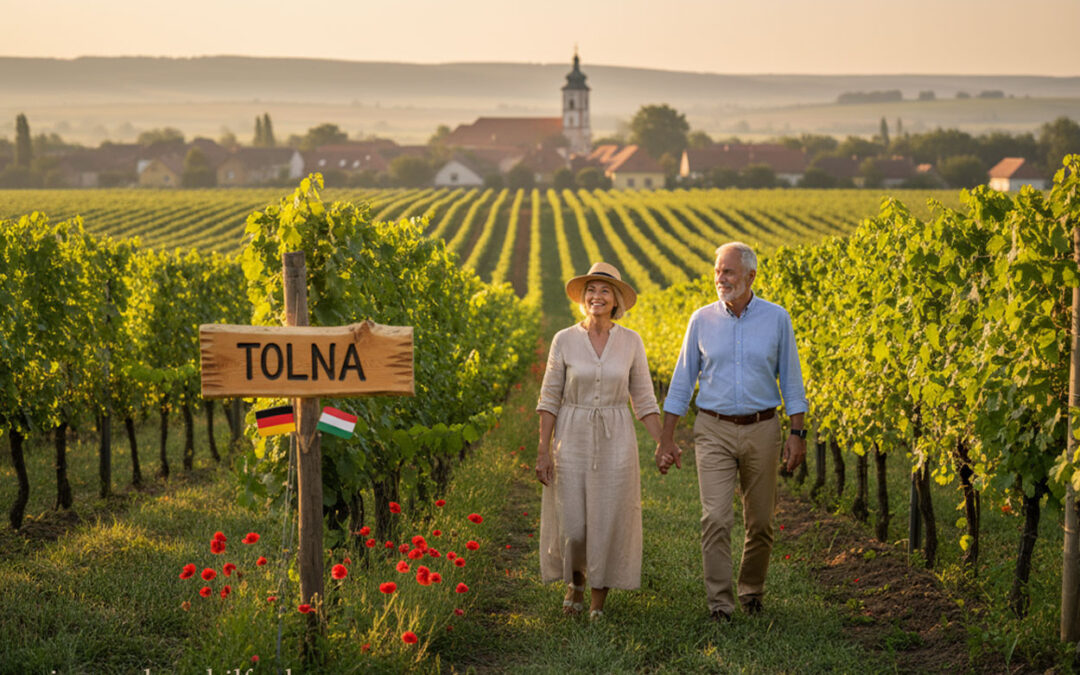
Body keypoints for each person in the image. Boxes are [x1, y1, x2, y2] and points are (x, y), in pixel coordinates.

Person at [656, 242, 808, 622]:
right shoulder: (700, 320)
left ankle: (752, 591)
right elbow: (681, 382)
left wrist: (797, 434)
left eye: (728, 272)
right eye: (717, 271)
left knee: (760, 521)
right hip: (713, 428)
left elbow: (791, 380)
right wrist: (667, 437)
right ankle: (720, 604)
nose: (720, 279)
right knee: (716, 518)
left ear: (751, 276)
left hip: (762, 428)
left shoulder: (777, 319)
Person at [535, 262, 662, 619]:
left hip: (616, 438)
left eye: (605, 290)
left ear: (617, 299)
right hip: (571, 434)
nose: (597, 296)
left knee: (607, 517)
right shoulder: (564, 339)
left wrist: (661, 443)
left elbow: (644, 399)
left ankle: (597, 601)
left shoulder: (631, 342)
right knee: (573, 523)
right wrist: (543, 450)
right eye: (591, 289)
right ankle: (574, 582)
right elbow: (548, 398)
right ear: (583, 297)